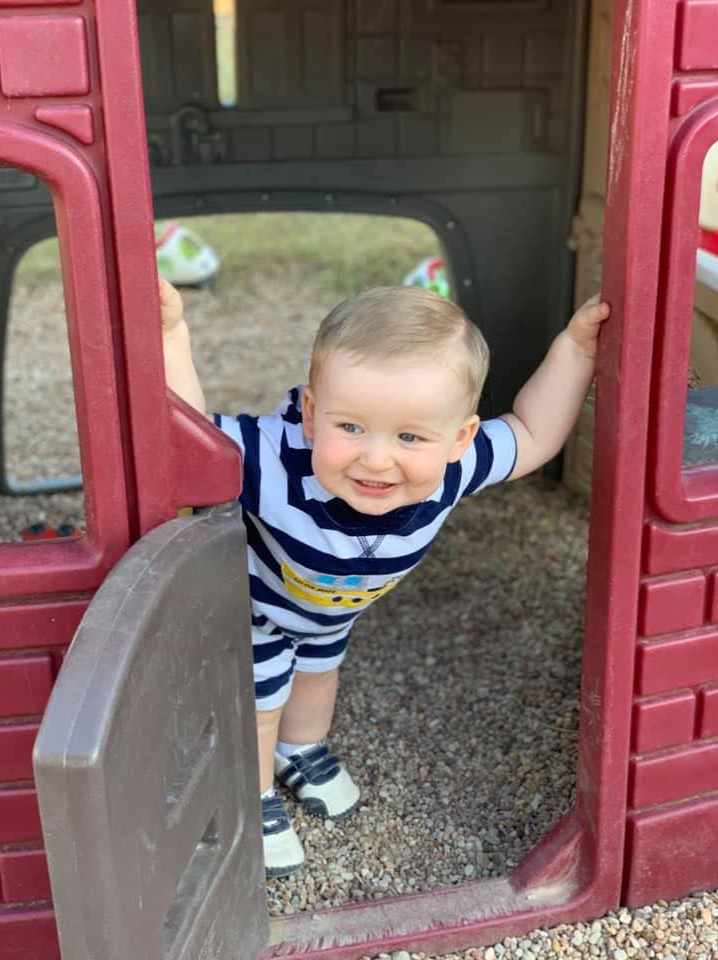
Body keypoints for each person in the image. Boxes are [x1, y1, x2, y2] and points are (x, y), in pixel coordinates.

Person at [160, 278, 609, 878]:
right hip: (253, 606)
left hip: (329, 611)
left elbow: (533, 433)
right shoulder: (270, 458)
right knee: (263, 699)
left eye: (408, 436)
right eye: (350, 427)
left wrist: (577, 349)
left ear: (460, 438)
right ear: (313, 415)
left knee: (318, 677)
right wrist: (169, 335)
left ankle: (302, 751)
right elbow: (190, 442)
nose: (376, 458)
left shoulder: (454, 468)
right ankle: (254, 789)